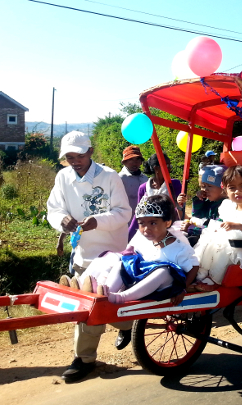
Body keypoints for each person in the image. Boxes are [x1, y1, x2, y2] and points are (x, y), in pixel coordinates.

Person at [46, 131, 132, 383]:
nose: (75, 161)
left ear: (91, 152)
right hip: (83, 255)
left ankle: (123, 328)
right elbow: (54, 209)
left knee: (105, 306)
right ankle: (86, 357)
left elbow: (124, 213)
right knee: (87, 309)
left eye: (80, 155)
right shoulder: (62, 178)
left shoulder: (109, 176)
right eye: (70, 157)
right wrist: (60, 220)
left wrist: (97, 221)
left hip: (110, 254)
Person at [85, 195, 199, 304]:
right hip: (141, 282)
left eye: (153, 223)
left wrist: (183, 289)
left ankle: (119, 298)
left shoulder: (179, 247)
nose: (146, 229)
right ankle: (105, 293)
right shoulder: (143, 240)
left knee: (164, 271)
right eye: (141, 223)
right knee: (122, 263)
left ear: (167, 223)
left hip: (163, 287)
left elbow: (194, 266)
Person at [127, 153, 182, 240]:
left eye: (170, 165)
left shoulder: (175, 185)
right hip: (150, 230)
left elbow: (180, 208)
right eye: (167, 165)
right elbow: (139, 213)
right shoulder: (143, 188)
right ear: (156, 168)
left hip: (170, 228)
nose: (170, 168)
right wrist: (129, 235)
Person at [179, 165, 226, 246]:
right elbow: (197, 215)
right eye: (203, 187)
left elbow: (215, 229)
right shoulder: (208, 202)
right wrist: (199, 199)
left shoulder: (225, 206)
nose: (205, 190)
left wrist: (192, 228)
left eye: (210, 186)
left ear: (223, 188)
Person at [118, 145, 148, 219]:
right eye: (131, 159)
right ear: (124, 162)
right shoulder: (120, 178)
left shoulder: (145, 178)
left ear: (141, 162)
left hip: (143, 219)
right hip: (126, 220)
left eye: (138, 159)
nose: (135, 163)